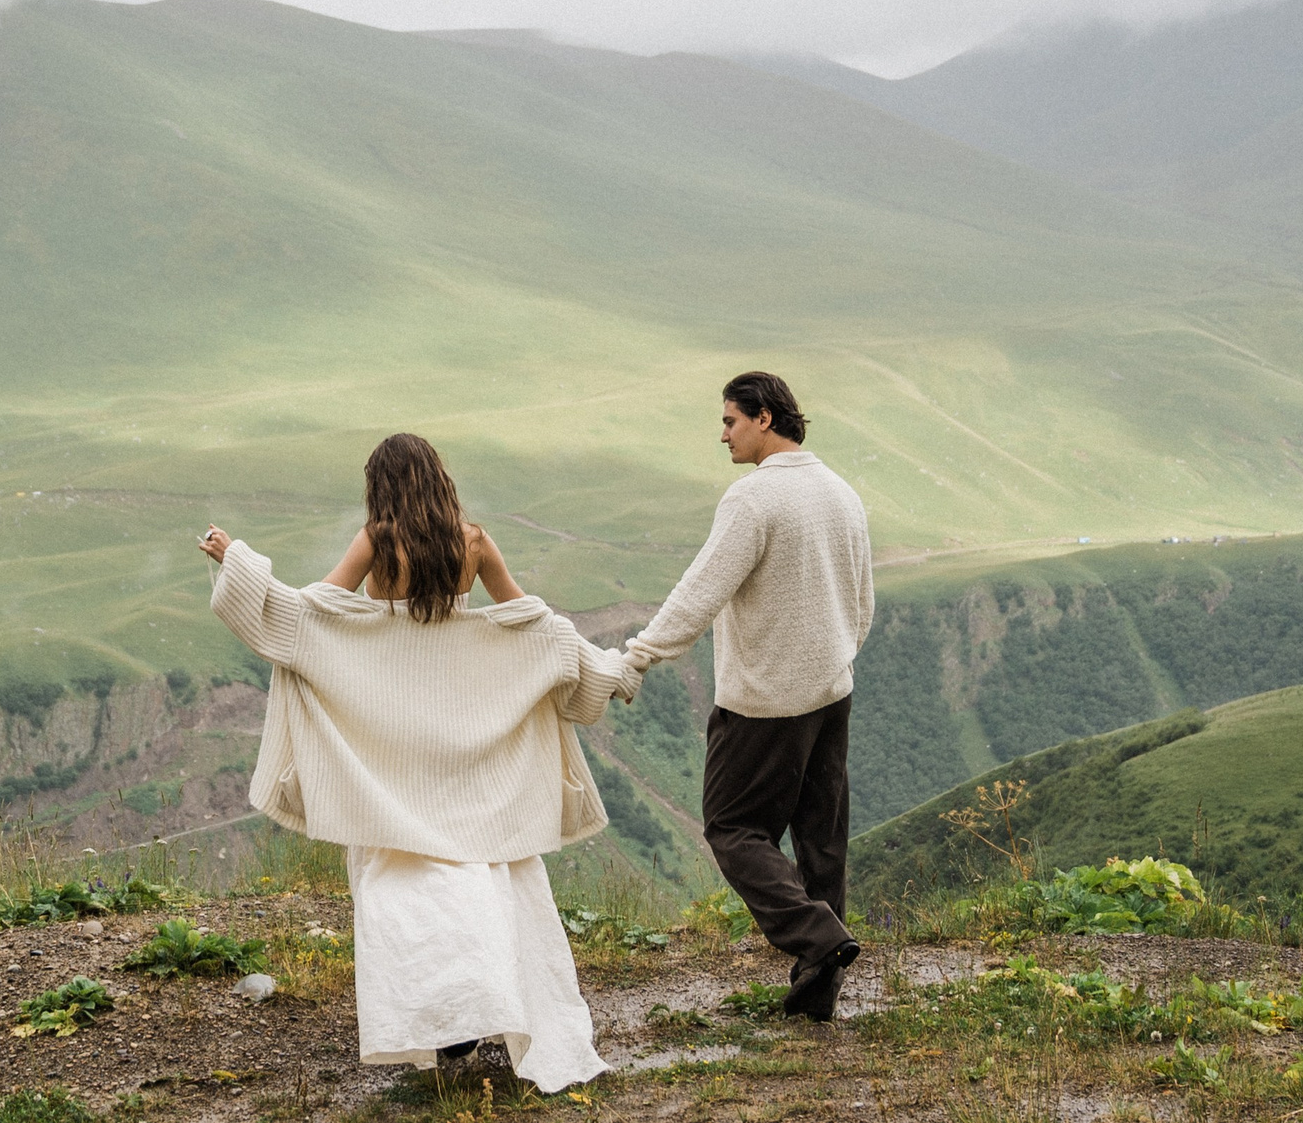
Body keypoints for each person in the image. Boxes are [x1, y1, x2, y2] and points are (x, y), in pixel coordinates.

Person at [198, 432, 639, 1092]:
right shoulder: (476, 541)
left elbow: (310, 614)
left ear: (381, 486)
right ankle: (481, 1008)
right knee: (481, 870)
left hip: (392, 740)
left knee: (401, 880)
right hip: (466, 727)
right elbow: (528, 621)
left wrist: (239, 560)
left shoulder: (377, 540)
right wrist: (600, 667)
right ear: (439, 478)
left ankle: (443, 1017)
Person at [621, 371, 874, 1021]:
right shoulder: (841, 492)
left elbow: (700, 592)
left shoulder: (754, 500)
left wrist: (640, 654)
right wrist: (835, 656)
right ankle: (819, 986)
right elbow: (861, 601)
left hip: (765, 701)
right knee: (821, 839)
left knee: (732, 827)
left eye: (731, 420)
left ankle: (818, 938)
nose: (724, 434)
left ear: (765, 417)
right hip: (831, 689)